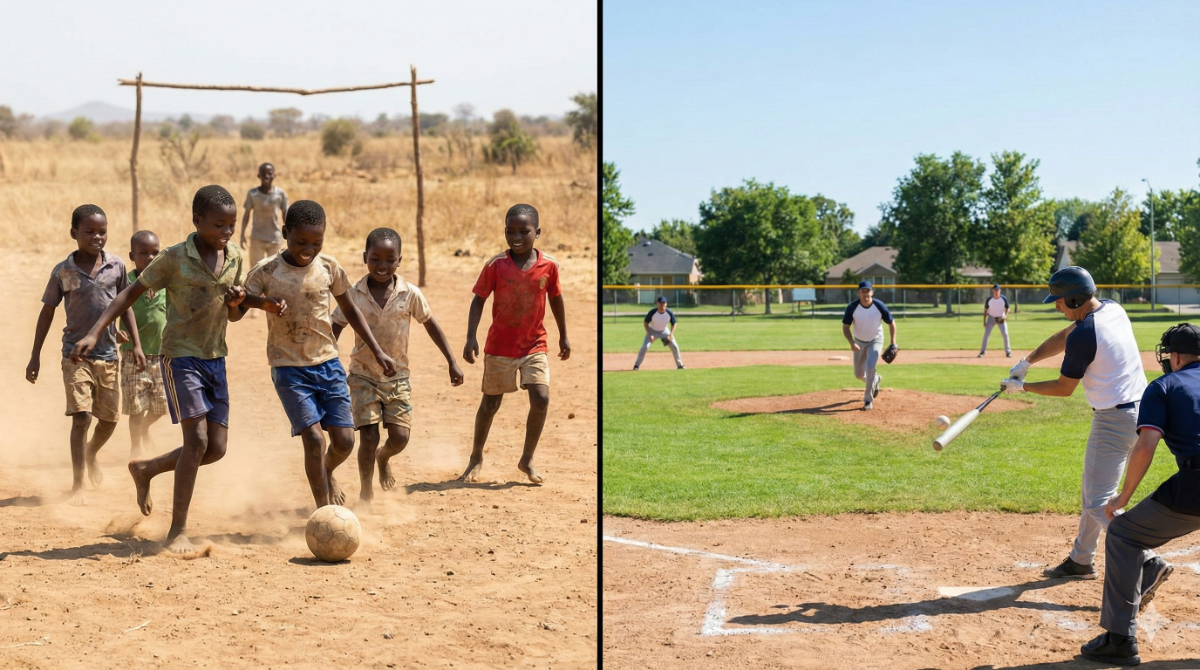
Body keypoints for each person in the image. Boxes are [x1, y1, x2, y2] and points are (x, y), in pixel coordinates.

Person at [73, 185, 255, 554]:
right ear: (197, 221)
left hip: (215, 357)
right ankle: (178, 531)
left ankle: (147, 468)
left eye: (232, 225)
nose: (227, 232)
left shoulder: (235, 255)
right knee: (197, 441)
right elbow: (128, 293)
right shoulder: (174, 258)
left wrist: (241, 304)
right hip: (180, 358)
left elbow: (235, 315)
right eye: (219, 224)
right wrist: (95, 332)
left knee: (216, 448)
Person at [242, 200, 397, 509]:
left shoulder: (329, 267)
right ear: (285, 233)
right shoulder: (266, 271)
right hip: (289, 367)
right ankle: (323, 509)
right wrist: (263, 303)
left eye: (316, 242)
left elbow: (351, 310)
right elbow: (237, 310)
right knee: (313, 439)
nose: (308, 249)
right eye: (300, 242)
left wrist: (377, 351)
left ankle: (326, 471)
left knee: (345, 441)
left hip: (327, 363)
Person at [1002, 266, 1147, 580]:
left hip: (1113, 420)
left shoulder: (1085, 334)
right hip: (1142, 416)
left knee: (1098, 501)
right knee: (1096, 492)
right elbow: (1064, 336)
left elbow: (1064, 388)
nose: (1056, 305)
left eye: (1060, 300)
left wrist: (1021, 387)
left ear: (1076, 298)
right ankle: (1081, 560)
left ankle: (1145, 560)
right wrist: (1028, 362)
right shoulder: (1111, 309)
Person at [1074, 323, 1200, 665]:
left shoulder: (1164, 385)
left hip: (1195, 486)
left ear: (1173, 357)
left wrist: (1122, 498)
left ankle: (1119, 639)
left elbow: (1145, 445)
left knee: (1123, 536)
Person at [331, 228, 464, 512]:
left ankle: (383, 458)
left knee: (400, 438)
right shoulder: (353, 294)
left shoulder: (409, 293)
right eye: (375, 258)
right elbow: (335, 328)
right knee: (367, 436)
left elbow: (430, 324)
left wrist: (451, 360)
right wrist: (327, 361)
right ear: (364, 257)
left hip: (398, 377)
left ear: (399, 260)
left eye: (389, 259)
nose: (382, 265)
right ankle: (366, 492)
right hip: (362, 374)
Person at [26, 204, 145, 505]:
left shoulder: (117, 267)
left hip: (108, 354)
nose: (97, 237)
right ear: (74, 234)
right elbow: (47, 312)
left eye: (102, 231)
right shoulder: (63, 271)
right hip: (75, 355)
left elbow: (126, 304)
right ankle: (78, 484)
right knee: (81, 417)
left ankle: (91, 453)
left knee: (109, 420)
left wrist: (137, 344)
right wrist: (35, 355)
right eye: (89, 231)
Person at [460, 204, 570, 485]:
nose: (516, 236)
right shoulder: (496, 265)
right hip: (500, 347)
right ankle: (475, 457)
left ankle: (527, 458)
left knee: (541, 398)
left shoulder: (550, 266)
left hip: (535, 344)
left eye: (524, 231)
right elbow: (478, 300)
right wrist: (471, 335)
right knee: (490, 404)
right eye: (511, 231)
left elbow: (556, 299)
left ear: (538, 232)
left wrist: (563, 335)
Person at [118, 231, 169, 459]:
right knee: (137, 406)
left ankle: (146, 428)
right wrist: (114, 332)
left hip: (162, 355)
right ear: (132, 255)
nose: (150, 257)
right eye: (143, 253)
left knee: (163, 406)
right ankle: (135, 445)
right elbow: (109, 311)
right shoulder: (125, 283)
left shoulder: (167, 283)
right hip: (132, 355)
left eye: (155, 253)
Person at [841, 281, 895, 410]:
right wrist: (852, 342)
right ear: (858, 293)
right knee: (858, 374)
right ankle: (874, 380)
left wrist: (893, 343)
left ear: (872, 292)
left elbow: (892, 323)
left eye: (868, 291)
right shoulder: (852, 307)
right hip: (859, 341)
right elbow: (845, 327)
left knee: (870, 367)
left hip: (875, 340)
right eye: (863, 291)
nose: (865, 293)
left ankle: (867, 401)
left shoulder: (879, 306)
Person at [240, 162, 289, 271]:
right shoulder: (253, 194)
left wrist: (290, 234)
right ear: (259, 176)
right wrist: (242, 234)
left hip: (275, 238)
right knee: (255, 270)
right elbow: (246, 215)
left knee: (276, 270)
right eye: (263, 173)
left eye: (269, 173)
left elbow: (285, 215)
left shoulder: (280, 194)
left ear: (274, 175)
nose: (266, 176)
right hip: (257, 238)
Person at [633, 296, 683, 370]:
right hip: (652, 330)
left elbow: (674, 323)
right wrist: (649, 334)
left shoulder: (669, 312)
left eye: (663, 303)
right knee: (645, 347)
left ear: (666, 304)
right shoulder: (653, 312)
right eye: (660, 303)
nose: (662, 305)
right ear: (657, 304)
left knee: (675, 346)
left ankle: (680, 365)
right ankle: (636, 366)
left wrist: (671, 334)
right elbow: (646, 323)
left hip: (664, 331)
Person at [979, 283, 1011, 358]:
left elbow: (1008, 308)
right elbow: (985, 310)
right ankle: (982, 352)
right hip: (991, 318)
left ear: (1000, 290)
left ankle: (1008, 352)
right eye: (995, 290)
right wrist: (984, 321)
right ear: (992, 290)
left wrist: (1006, 315)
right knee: (986, 334)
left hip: (1001, 318)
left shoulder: (1003, 298)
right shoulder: (989, 299)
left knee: (1005, 334)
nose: (996, 291)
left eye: (997, 290)